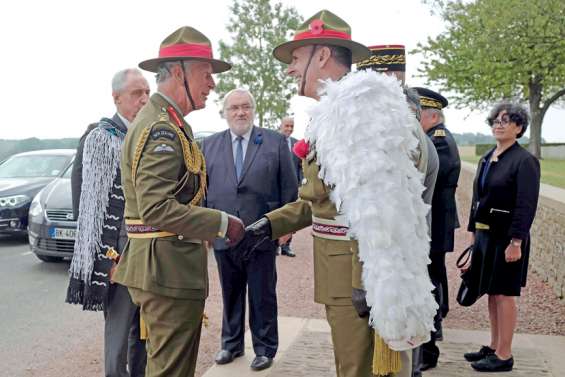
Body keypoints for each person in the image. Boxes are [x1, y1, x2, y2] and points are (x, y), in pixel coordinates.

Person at [236, 10, 438, 377]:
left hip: (356, 281)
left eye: (296, 59)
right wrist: (268, 225)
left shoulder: (358, 112)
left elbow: (382, 207)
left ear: (323, 55)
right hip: (343, 275)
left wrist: (367, 283)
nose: (290, 69)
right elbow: (322, 197)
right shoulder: (337, 111)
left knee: (359, 370)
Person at [112, 26, 245, 377]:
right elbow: (156, 206)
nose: (212, 84)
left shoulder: (168, 122)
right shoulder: (162, 128)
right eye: (206, 74)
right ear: (177, 72)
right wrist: (220, 223)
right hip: (165, 271)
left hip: (163, 268)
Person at [201, 88, 298, 371]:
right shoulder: (209, 145)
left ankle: (265, 348)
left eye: (245, 107)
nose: (240, 112)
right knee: (230, 293)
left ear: (253, 111)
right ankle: (230, 345)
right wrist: (207, 229)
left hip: (261, 233)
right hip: (223, 233)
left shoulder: (275, 142)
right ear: (225, 113)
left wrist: (287, 227)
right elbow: (204, 190)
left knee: (262, 294)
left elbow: (289, 189)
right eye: (234, 108)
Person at [358, 47, 439, 377]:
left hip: (398, 262)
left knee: (396, 357)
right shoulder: (413, 132)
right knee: (402, 348)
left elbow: (389, 209)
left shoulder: (403, 133)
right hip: (407, 258)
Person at [66, 68, 150, 377]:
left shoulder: (152, 133)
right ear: (116, 98)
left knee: (145, 334)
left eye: (147, 93)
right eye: (136, 94)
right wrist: (104, 257)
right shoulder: (99, 137)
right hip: (119, 252)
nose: (144, 99)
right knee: (118, 335)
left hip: (151, 251)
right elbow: (86, 205)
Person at [464, 103, 540, 372]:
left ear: (518, 127)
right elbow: (477, 199)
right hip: (485, 236)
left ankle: (504, 355)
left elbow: (526, 204)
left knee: (505, 295)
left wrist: (516, 241)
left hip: (507, 238)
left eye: (506, 121)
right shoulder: (488, 156)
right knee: (491, 293)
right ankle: (494, 346)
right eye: (496, 120)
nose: (499, 124)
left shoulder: (524, 161)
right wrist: (473, 235)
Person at [413, 87, 461, 370]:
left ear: (432, 116)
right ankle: (436, 322)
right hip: (437, 218)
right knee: (434, 273)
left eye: (420, 116)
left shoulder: (439, 140)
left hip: (436, 219)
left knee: (432, 276)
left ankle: (434, 328)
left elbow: (435, 172)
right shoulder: (434, 137)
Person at [278, 116, 301, 257]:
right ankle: (274, 244)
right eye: (286, 125)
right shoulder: (273, 141)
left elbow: (300, 167)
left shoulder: (297, 144)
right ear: (280, 126)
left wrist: (301, 183)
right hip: (275, 185)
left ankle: (286, 246)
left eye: (291, 126)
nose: (289, 129)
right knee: (274, 214)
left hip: (291, 188)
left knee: (290, 216)